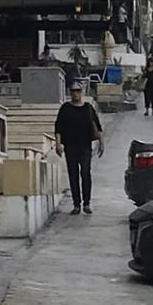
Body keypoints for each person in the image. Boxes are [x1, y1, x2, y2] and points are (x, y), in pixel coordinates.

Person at [55, 82, 104, 215]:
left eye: (77, 90)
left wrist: (101, 142)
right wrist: (58, 144)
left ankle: (87, 203)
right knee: (73, 174)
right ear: (70, 92)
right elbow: (58, 127)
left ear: (81, 92)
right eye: (73, 91)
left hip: (85, 146)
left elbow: (96, 125)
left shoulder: (88, 108)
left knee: (85, 173)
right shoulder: (65, 108)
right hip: (70, 146)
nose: (75, 93)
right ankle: (77, 204)